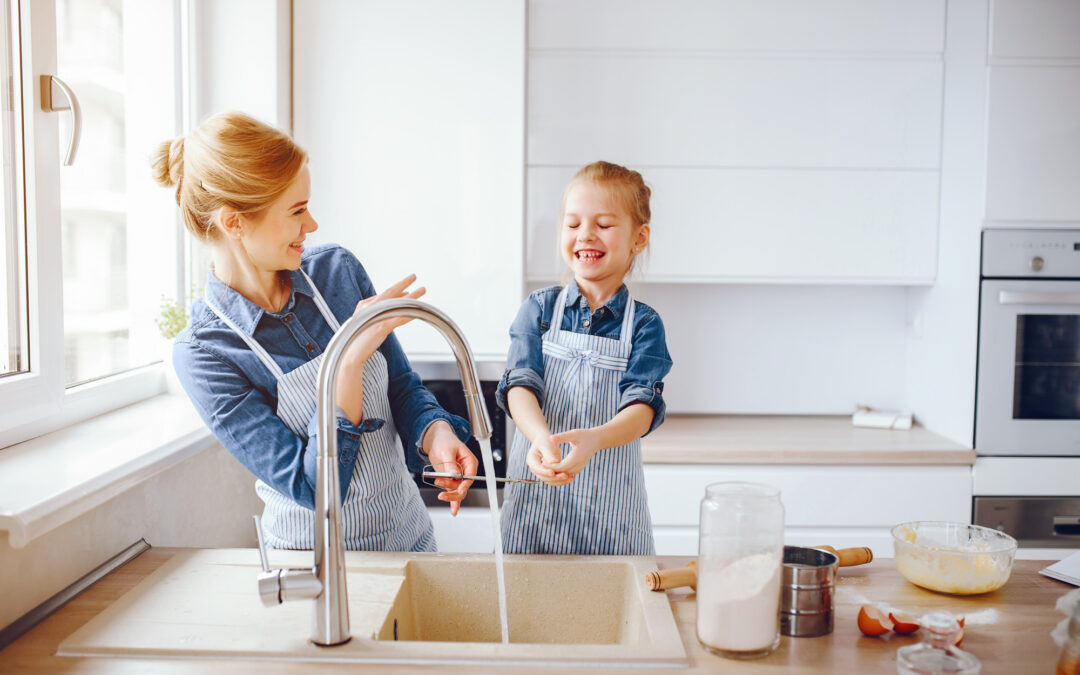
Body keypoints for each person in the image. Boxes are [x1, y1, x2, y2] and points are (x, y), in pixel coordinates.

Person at [151, 111, 476, 551]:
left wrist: (435, 432)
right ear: (234, 223)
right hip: (314, 571)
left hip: (408, 542)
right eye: (297, 210)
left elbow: (400, 386)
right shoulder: (207, 354)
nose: (312, 225)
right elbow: (318, 492)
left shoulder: (337, 272)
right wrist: (347, 360)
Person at [495, 161, 672, 555]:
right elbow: (520, 386)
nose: (585, 234)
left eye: (603, 224)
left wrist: (595, 439)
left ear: (639, 238)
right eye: (573, 224)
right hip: (535, 512)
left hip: (612, 519)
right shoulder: (539, 310)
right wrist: (541, 436)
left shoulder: (644, 324)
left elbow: (642, 408)